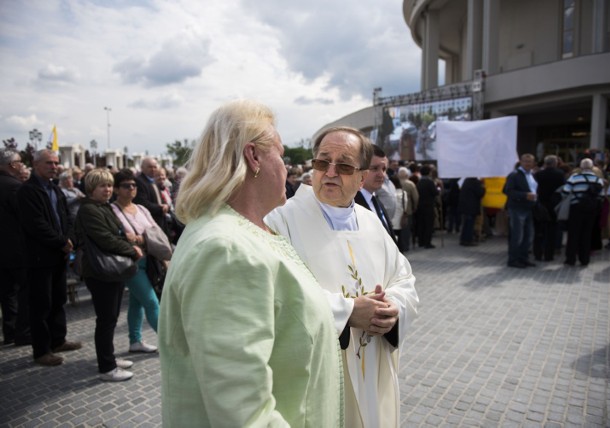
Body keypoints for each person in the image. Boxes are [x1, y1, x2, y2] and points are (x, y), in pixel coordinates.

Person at [158, 100, 343, 427]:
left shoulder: (239, 233)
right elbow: (243, 411)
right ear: (253, 157)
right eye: (281, 155)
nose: (287, 167)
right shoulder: (226, 249)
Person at [266, 126, 419, 428]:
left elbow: (405, 280)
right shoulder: (281, 220)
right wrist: (347, 312)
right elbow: (276, 290)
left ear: (362, 178)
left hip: (373, 363)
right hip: (319, 373)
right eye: (323, 163)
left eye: (345, 166)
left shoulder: (370, 222)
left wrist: (393, 309)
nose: (330, 172)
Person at [75, 169, 143, 381]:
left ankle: (109, 357)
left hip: (110, 269)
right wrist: (131, 249)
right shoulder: (89, 210)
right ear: (91, 188)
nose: (107, 190)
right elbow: (105, 238)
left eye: (109, 185)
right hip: (99, 271)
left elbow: (116, 233)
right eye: (102, 186)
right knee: (106, 319)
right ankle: (106, 366)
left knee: (111, 318)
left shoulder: (101, 207)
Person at [17, 149, 82, 366]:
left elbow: (67, 219)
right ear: (35, 165)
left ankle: (58, 340)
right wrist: (61, 242)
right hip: (40, 258)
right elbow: (36, 224)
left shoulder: (56, 190)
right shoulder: (28, 191)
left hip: (59, 256)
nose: (54, 166)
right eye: (49, 163)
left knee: (58, 300)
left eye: (56, 163)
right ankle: (42, 350)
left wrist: (69, 238)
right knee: (40, 304)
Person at [111, 169, 161, 353]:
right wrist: (137, 238)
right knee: (152, 302)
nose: (131, 189)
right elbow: (119, 236)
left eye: (134, 185)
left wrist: (140, 238)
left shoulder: (141, 208)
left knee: (136, 302)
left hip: (149, 260)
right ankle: (171, 342)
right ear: (116, 189)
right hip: (130, 263)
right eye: (126, 186)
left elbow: (155, 231)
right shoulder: (112, 210)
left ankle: (135, 340)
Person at [0, 149, 30, 346]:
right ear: (12, 165)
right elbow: (26, 218)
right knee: (25, 291)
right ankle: (23, 332)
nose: (21, 165)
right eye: (19, 162)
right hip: (18, 249)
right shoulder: (15, 187)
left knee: (6, 293)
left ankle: (9, 331)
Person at [561, 158, 605, 266]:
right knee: (587, 234)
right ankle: (584, 259)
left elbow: (565, 192)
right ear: (591, 167)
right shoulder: (598, 180)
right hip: (591, 210)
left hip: (576, 208)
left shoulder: (575, 177)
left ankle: (570, 259)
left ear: (581, 167)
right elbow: (602, 196)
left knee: (573, 234)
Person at [354, 145, 397, 243]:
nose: (382, 174)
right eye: (374, 168)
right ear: (359, 170)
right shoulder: (350, 204)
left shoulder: (376, 201)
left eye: (384, 169)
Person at [503, 153, 538, 268]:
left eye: (530, 161)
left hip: (529, 208)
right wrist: (524, 195)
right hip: (517, 208)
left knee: (528, 236)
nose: (528, 163)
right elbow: (508, 191)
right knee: (517, 236)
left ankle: (524, 258)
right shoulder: (514, 175)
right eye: (526, 161)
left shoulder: (532, 174)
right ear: (521, 162)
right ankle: (513, 260)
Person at [533, 155, 566, 261]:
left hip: (540, 205)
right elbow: (563, 189)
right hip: (554, 206)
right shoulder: (560, 174)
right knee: (552, 231)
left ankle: (537, 254)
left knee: (538, 231)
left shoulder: (538, 174)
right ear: (555, 163)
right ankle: (549, 255)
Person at [134, 157, 169, 235]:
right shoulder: (139, 182)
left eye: (155, 167)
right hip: (150, 222)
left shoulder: (153, 181)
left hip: (161, 220)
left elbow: (159, 198)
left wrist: (165, 205)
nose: (153, 169)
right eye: (150, 167)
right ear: (142, 168)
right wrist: (160, 208)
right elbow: (142, 203)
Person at [396, 167, 419, 252]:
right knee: (406, 229)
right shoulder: (410, 184)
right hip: (407, 210)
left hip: (396, 210)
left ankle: (399, 246)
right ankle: (405, 246)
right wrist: (415, 207)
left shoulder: (394, 183)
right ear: (406, 175)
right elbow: (416, 197)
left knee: (397, 228)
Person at [416, 164, 439, 249]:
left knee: (421, 224)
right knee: (429, 224)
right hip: (429, 206)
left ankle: (421, 241)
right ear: (429, 172)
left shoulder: (419, 182)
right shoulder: (429, 182)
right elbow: (435, 192)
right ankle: (427, 242)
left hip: (420, 206)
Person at [458, 178, 485, 246]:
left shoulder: (466, 181)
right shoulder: (476, 182)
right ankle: (468, 240)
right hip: (472, 206)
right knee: (470, 224)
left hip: (465, 206)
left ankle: (463, 239)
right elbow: (480, 193)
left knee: (466, 224)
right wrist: (483, 187)